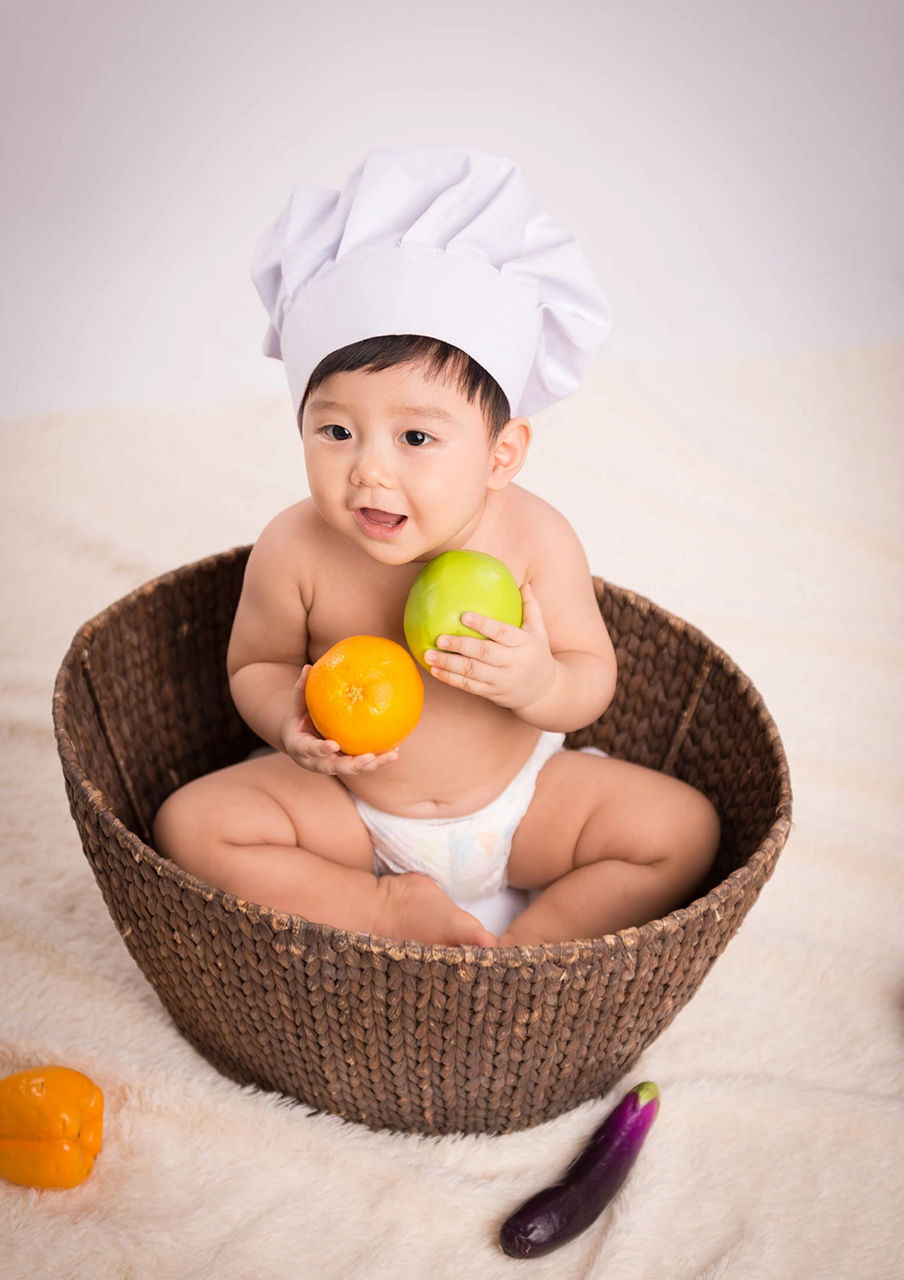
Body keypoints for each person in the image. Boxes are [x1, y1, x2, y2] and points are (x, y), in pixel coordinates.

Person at [153, 147, 719, 948]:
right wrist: (289, 722)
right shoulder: (296, 547)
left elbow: (592, 681)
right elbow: (255, 664)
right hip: (350, 812)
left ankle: (536, 946)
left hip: (519, 805)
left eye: (416, 435)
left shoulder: (533, 535)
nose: (370, 470)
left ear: (501, 455)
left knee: (682, 829)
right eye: (336, 431)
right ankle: (383, 909)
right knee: (194, 824)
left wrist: (536, 679)